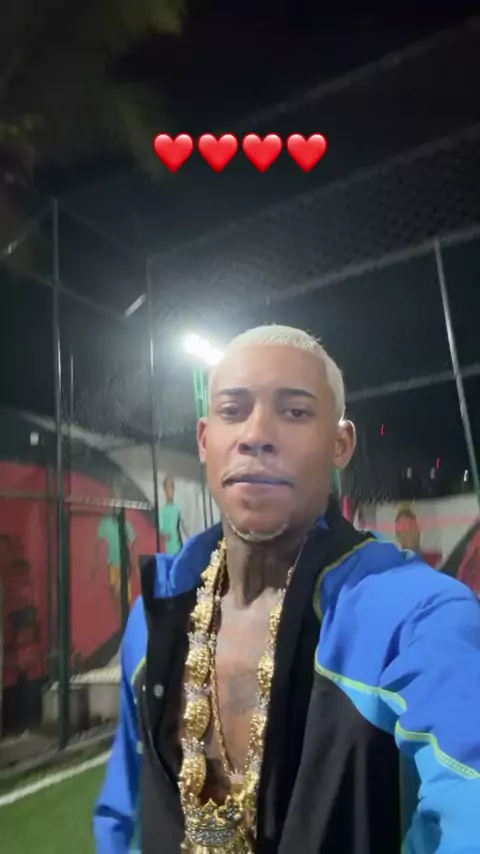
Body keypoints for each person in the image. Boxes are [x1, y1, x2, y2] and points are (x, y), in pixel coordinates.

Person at [93, 325, 480, 854]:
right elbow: (125, 811)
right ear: (205, 440)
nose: (256, 434)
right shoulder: (155, 612)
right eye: (233, 411)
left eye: (295, 412)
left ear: (340, 444)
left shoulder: (415, 617)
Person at [92, 477, 137, 613]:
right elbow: (97, 544)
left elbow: (133, 546)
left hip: (125, 566)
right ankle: (122, 623)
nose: (117, 505)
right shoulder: (105, 522)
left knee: (124, 598)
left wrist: (136, 567)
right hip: (113, 566)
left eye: (119, 500)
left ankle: (125, 621)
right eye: (115, 499)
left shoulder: (127, 524)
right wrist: (93, 565)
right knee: (116, 597)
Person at [394, 504, 442, 568]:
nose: (408, 532)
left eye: (411, 527)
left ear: (419, 531)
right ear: (398, 536)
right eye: (403, 528)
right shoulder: (394, 566)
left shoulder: (435, 559)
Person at [160, 475, 187, 555]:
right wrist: (165, 535)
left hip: (179, 547)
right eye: (167, 487)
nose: (170, 490)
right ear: (164, 490)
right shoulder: (162, 511)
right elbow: (160, 531)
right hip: (168, 549)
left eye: (171, 487)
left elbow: (183, 528)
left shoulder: (178, 508)